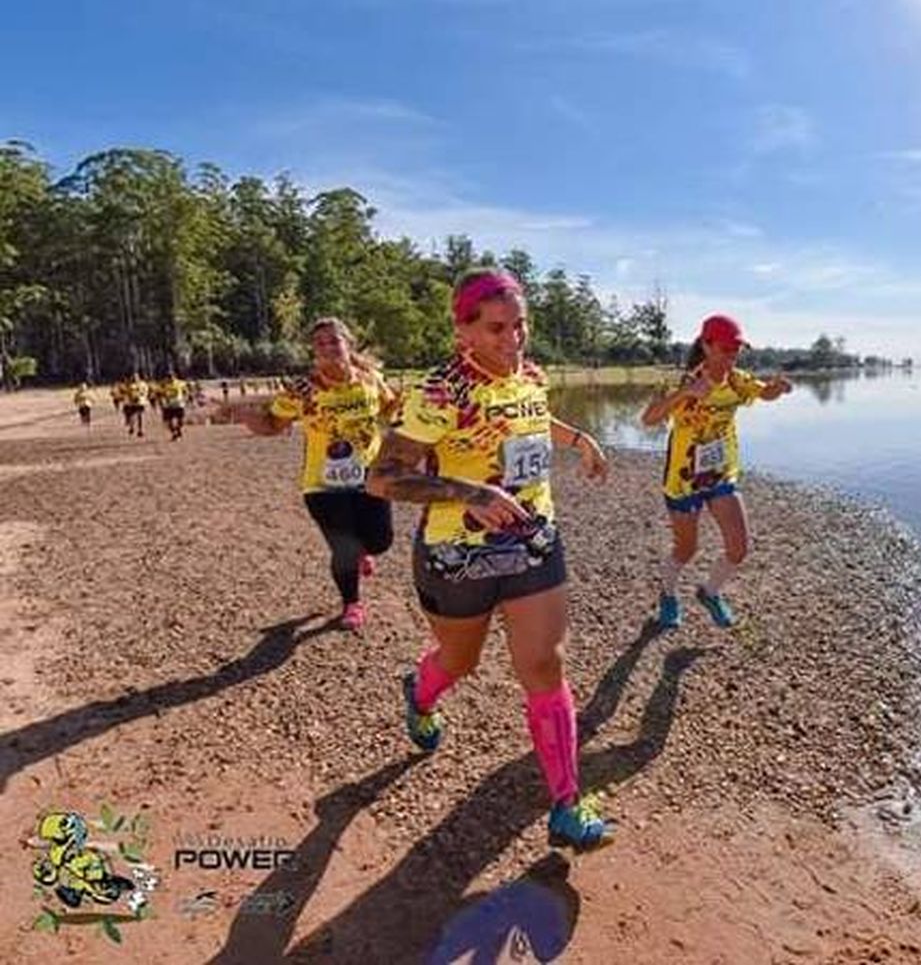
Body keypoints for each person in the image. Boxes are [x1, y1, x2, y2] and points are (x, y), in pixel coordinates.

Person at [366, 268, 613, 851]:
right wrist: (471, 494)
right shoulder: (439, 392)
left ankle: (566, 805)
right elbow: (382, 479)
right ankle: (420, 694)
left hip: (532, 543)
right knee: (459, 663)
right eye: (498, 328)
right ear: (464, 332)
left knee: (545, 665)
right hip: (457, 556)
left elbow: (526, 417)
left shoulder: (530, 375)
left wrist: (580, 440)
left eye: (521, 325)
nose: (514, 339)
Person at [220, 318, 400, 630]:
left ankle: (363, 552)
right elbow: (273, 424)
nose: (328, 348)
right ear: (313, 351)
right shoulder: (304, 390)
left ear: (348, 344)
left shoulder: (370, 379)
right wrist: (245, 416)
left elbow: (388, 409)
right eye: (320, 344)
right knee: (343, 547)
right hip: (322, 484)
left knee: (381, 541)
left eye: (334, 341)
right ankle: (352, 604)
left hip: (370, 476)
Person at [640, 314, 792, 630]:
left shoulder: (738, 380)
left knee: (738, 548)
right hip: (684, 480)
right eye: (726, 349)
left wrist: (778, 389)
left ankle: (710, 593)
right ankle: (668, 595)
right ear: (707, 346)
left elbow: (763, 393)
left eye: (737, 350)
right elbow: (649, 419)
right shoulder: (681, 382)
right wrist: (685, 394)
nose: (732, 357)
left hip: (722, 475)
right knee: (687, 548)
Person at [159, 370, 190, 441]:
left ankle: (178, 430)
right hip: (168, 405)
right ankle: (174, 433)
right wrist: (161, 402)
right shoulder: (164, 384)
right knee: (168, 422)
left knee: (181, 421)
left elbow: (186, 391)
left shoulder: (180, 383)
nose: (170, 378)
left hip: (179, 404)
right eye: (168, 376)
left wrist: (186, 399)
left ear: (175, 376)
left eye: (171, 376)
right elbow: (160, 394)